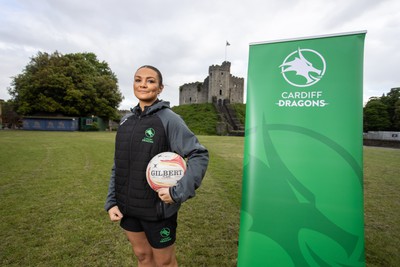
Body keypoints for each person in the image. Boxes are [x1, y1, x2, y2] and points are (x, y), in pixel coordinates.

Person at [105, 65, 209, 267]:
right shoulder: (126, 120)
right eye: (138, 79)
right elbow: (119, 164)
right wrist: (112, 201)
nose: (143, 84)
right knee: (142, 256)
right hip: (128, 207)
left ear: (160, 88)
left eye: (150, 80)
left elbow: (199, 154)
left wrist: (178, 192)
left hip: (158, 209)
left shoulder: (169, 119)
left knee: (164, 262)